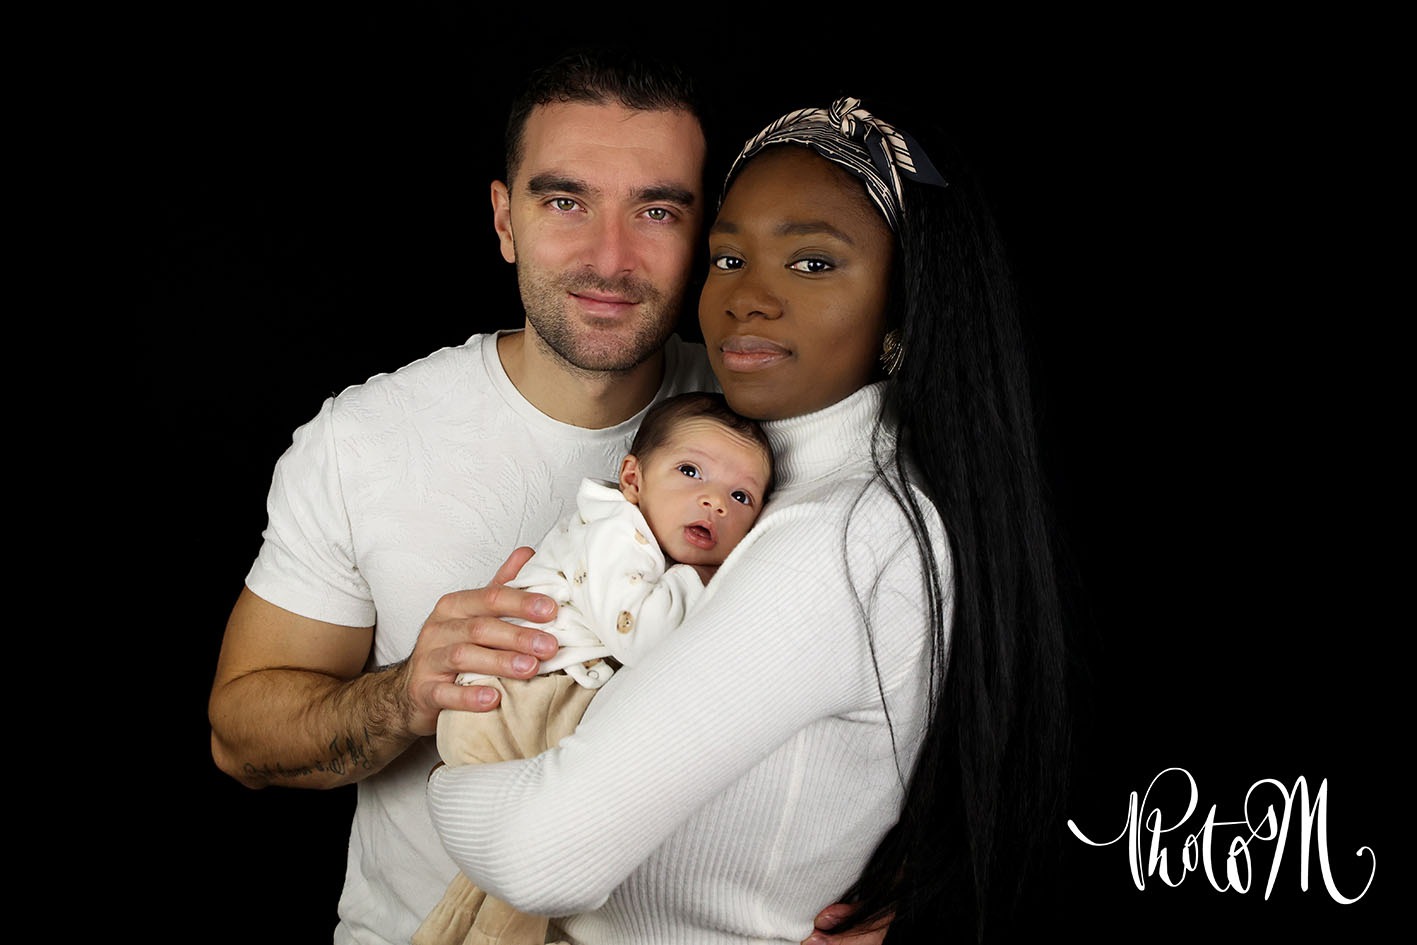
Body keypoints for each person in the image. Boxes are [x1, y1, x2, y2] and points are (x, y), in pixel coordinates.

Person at [208, 48, 884, 945]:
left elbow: (915, 676)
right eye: (565, 202)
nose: (610, 257)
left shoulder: (773, 430)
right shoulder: (363, 439)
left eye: (656, 211)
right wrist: (405, 694)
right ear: (505, 219)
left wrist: (906, 889)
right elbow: (239, 737)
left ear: (702, 235)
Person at [425, 96, 1071, 944]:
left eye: (812, 263)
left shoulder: (835, 538)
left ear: (902, 307)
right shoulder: (789, 487)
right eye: (728, 258)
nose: (747, 297)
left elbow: (542, 854)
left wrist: (451, 772)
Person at [417, 391, 773, 945]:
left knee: (497, 879)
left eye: (741, 496)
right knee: (544, 858)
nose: (714, 502)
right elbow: (643, 638)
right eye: (690, 472)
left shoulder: (635, 537)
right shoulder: (618, 533)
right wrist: (703, 580)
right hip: (516, 701)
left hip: (530, 697)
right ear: (633, 479)